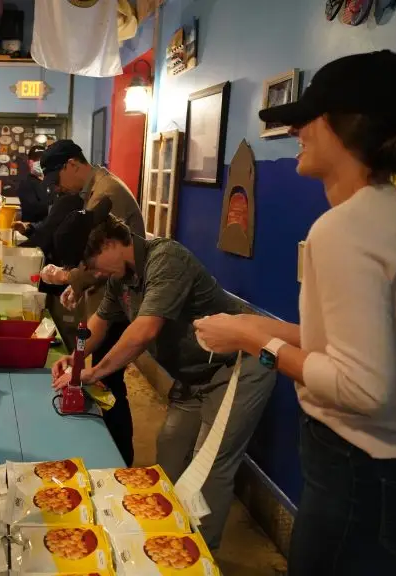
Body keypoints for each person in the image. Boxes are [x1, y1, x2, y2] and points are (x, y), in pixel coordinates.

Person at [194, 50, 396, 575]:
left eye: (307, 119)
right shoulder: (392, 215)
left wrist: (256, 343)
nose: (297, 133)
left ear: (347, 125)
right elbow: (358, 347)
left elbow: (360, 388)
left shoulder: (343, 228)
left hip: (362, 486)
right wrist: (258, 326)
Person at [50, 199, 276, 549]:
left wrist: (93, 373)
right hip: (192, 378)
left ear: (109, 244)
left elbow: (143, 332)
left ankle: (200, 556)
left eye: (91, 264)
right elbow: (100, 323)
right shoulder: (119, 276)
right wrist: (74, 359)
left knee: (209, 468)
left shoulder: (166, 259)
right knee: (169, 450)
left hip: (237, 369)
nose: (93, 273)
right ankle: (163, 541)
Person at [31, 140, 146, 466]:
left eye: (56, 178)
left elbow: (103, 256)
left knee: (110, 383)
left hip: (123, 302)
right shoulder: (93, 192)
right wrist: (79, 285)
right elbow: (98, 262)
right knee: (100, 377)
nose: (56, 187)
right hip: (109, 297)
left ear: (72, 164)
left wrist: (69, 277)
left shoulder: (107, 194)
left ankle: (119, 461)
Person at [13, 145, 49, 234]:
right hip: (32, 232)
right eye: (36, 160)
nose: (40, 162)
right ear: (30, 162)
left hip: (48, 231)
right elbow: (34, 209)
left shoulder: (49, 182)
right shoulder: (25, 183)